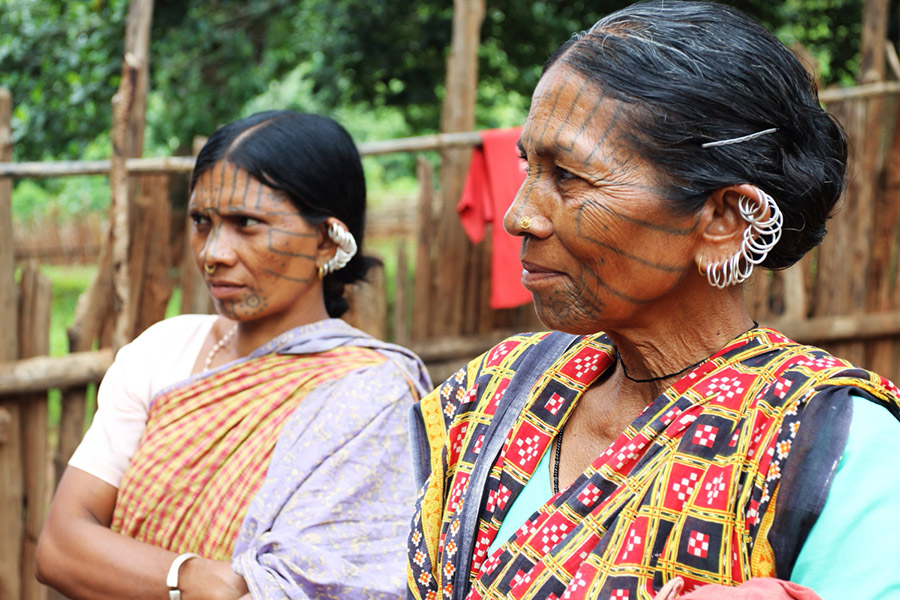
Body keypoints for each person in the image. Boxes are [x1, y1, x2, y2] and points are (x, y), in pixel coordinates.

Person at [406, 3, 900, 600]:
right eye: (527, 167)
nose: (518, 216)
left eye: (567, 176)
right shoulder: (498, 395)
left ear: (722, 216)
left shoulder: (832, 445)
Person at [36, 110, 431, 600]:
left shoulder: (372, 394)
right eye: (203, 222)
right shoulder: (163, 351)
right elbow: (60, 546)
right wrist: (191, 577)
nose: (213, 252)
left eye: (246, 223)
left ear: (327, 240)